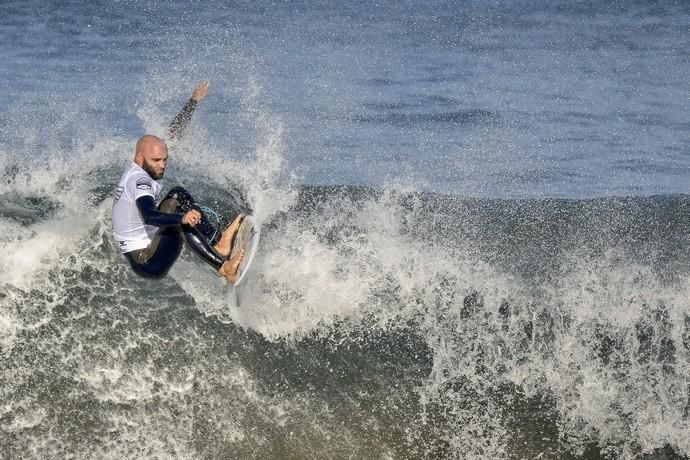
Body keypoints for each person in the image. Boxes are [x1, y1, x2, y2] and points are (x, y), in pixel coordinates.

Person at [112, 80, 244, 283]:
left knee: (178, 194)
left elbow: (173, 134)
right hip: (147, 261)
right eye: (156, 160)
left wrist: (193, 102)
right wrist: (180, 220)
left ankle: (219, 244)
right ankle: (223, 268)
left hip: (151, 245)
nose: (162, 165)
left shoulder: (146, 164)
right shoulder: (139, 180)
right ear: (139, 158)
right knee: (177, 216)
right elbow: (149, 215)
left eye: (164, 160)